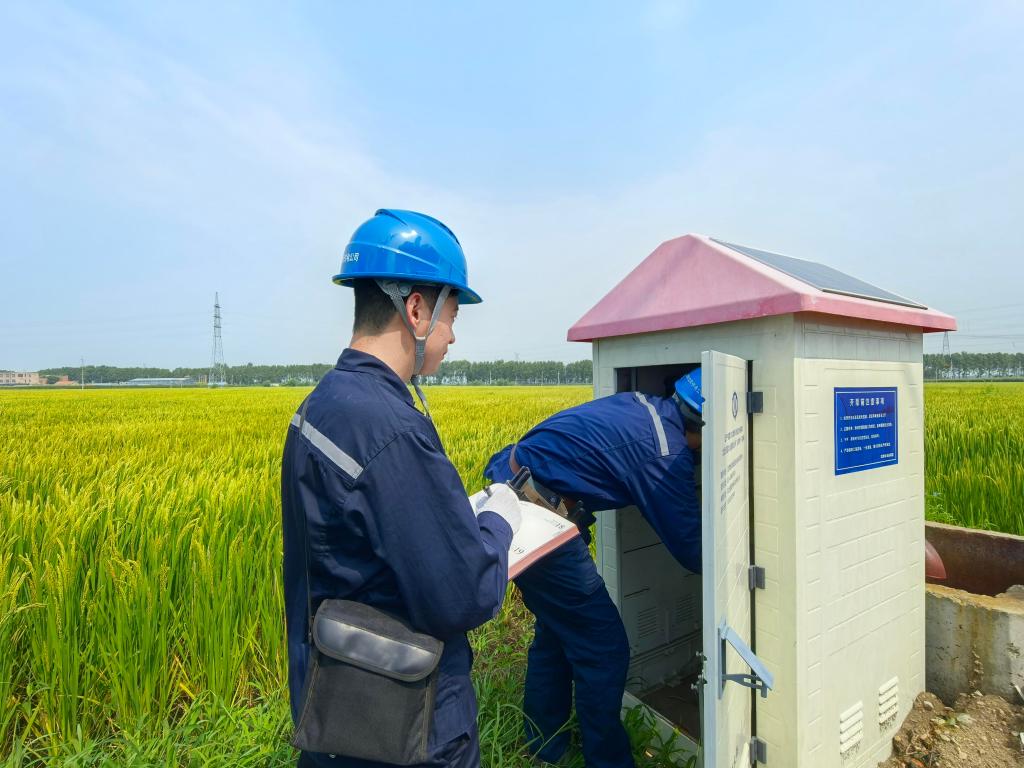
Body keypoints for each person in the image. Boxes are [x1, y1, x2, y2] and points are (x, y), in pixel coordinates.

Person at [282, 209, 522, 768]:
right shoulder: (390, 429)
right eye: (451, 316)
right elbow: (462, 595)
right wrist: (498, 521)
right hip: (405, 727)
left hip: (337, 706)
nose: (453, 336)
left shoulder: (320, 406)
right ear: (416, 310)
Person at [483, 370, 705, 768]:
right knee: (604, 647)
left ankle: (545, 746)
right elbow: (692, 548)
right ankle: (608, 761)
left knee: (557, 632)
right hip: (537, 512)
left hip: (516, 484)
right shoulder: (666, 453)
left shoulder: (645, 406)